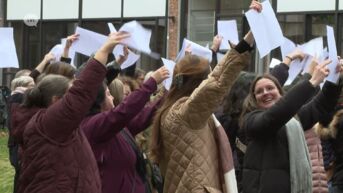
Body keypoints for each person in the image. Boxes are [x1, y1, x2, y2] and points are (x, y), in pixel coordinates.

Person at [150, 1, 257, 188]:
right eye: (207, 75)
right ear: (199, 83)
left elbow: (214, 79)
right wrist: (248, 38)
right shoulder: (187, 112)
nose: (210, 76)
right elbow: (217, 83)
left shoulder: (171, 108)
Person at [10, 31, 130, 193]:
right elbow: (83, 91)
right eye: (68, 94)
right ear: (56, 100)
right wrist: (104, 51)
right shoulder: (49, 123)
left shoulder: (52, 121)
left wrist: (114, 61)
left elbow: (87, 89)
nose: (72, 100)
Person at [240, 57, 342, 193]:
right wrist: (311, 82)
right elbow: (274, 117)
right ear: (254, 99)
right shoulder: (251, 120)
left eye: (270, 88)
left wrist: (335, 78)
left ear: (281, 93)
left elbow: (320, 106)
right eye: (259, 91)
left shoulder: (293, 120)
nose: (265, 93)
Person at [80, 66, 169, 193]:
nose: (112, 98)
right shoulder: (94, 125)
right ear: (98, 101)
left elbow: (143, 117)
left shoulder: (110, 126)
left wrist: (167, 94)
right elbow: (124, 111)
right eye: (108, 94)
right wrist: (151, 83)